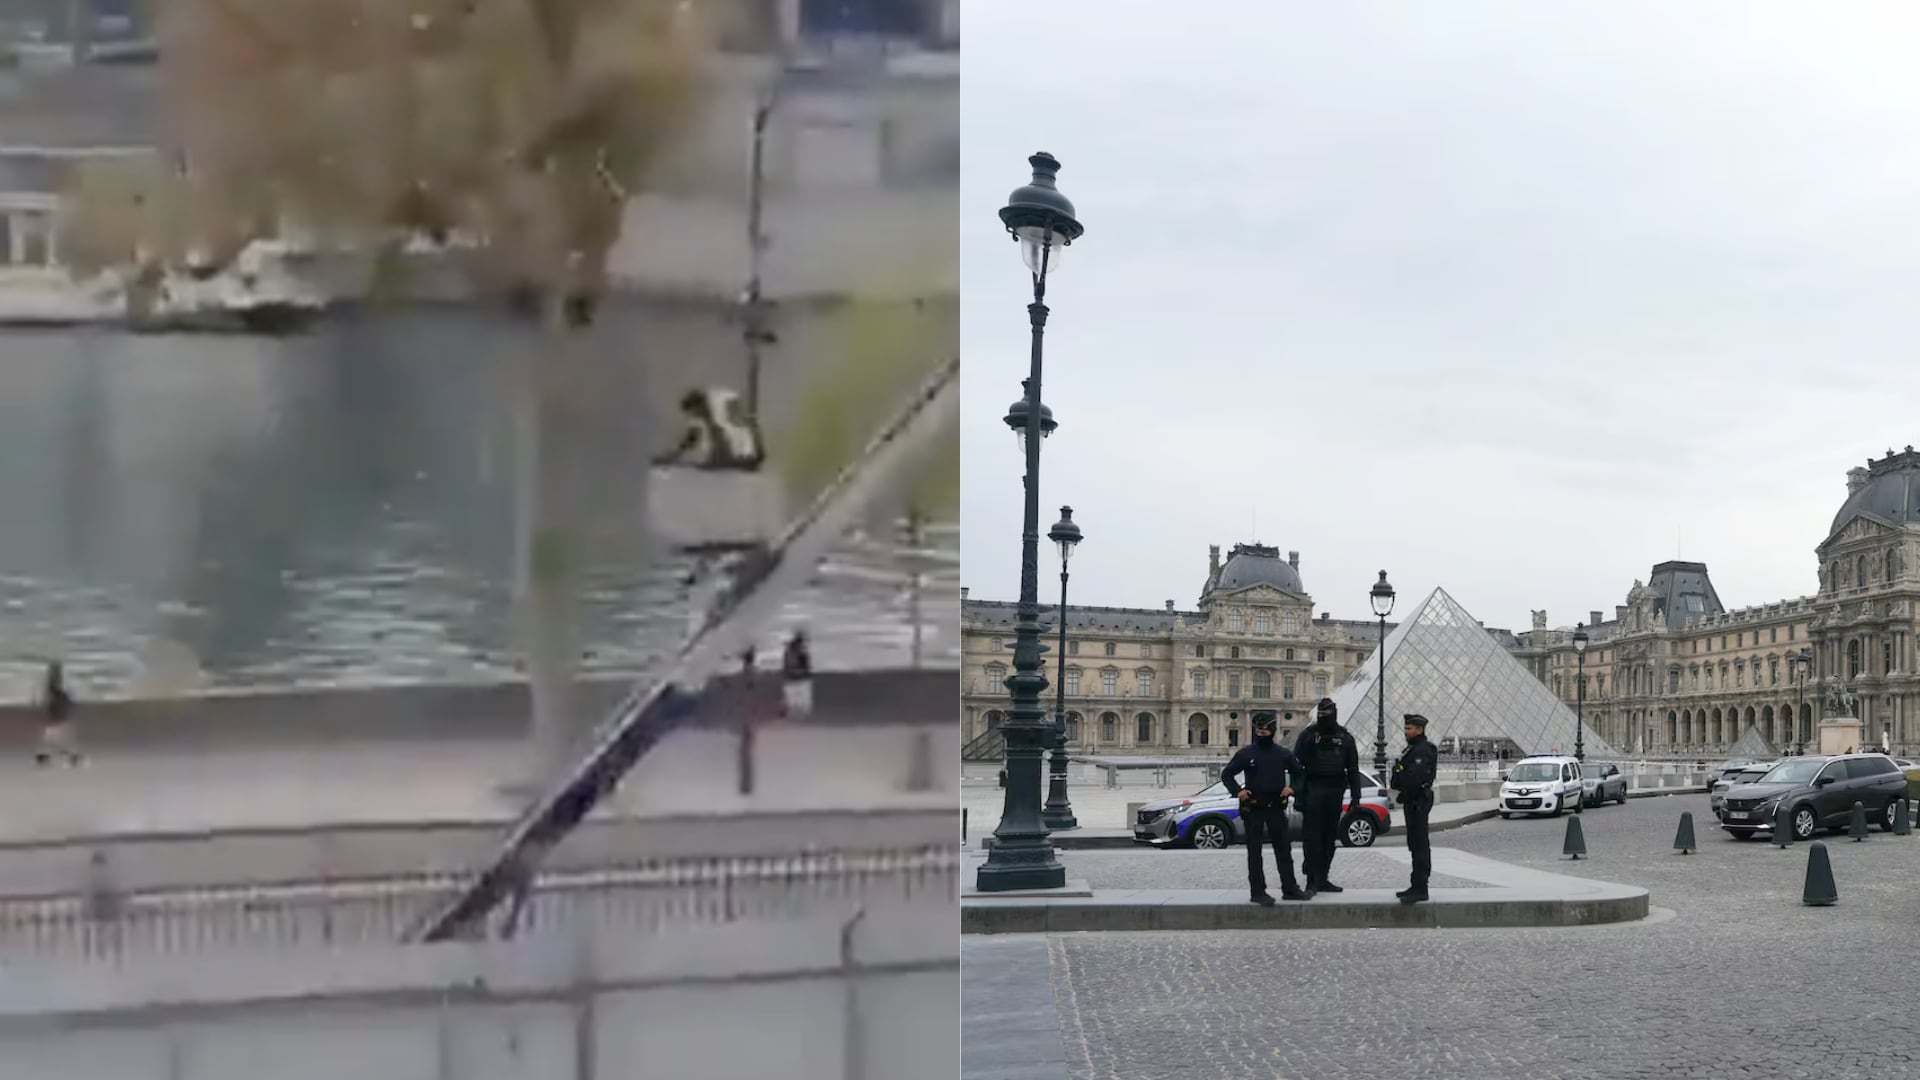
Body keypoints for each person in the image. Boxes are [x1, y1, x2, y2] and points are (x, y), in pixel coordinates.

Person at [1220, 711, 1309, 904]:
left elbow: (1300, 774)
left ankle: (1290, 888)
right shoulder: (1246, 753)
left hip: (1276, 807)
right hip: (1254, 808)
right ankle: (1258, 891)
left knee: (1284, 850)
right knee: (1254, 853)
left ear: (1273, 731)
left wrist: (1291, 788)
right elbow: (1227, 775)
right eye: (1259, 731)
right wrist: (1238, 791)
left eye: (1265, 731)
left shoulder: (1283, 753)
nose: (1261, 734)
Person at [1292, 697, 1363, 893]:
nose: (1324, 717)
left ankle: (1323, 877)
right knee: (1312, 838)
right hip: (1314, 789)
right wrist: (1298, 793)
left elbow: (1353, 768)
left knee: (1329, 837)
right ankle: (1311, 879)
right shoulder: (1308, 735)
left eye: (1327, 714)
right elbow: (1296, 763)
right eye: (1321, 714)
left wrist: (1356, 797)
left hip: (1335, 790)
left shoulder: (1345, 737)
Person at [1392, 714, 1440, 904]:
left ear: (1420, 730)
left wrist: (1401, 775)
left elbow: (1415, 778)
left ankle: (1421, 887)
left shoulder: (1423, 750)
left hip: (1418, 801)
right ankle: (1415, 885)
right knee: (1414, 843)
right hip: (1411, 800)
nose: (1406, 732)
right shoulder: (1412, 750)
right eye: (1405, 728)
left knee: (1419, 844)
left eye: (1409, 729)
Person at [36, 661, 82, 767]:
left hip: (57, 721)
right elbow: (67, 706)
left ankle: (72, 757)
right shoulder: (61, 696)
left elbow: (53, 708)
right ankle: (72, 757)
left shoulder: (58, 696)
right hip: (59, 720)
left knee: (53, 741)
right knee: (57, 741)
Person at [781, 630, 813, 720]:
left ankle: (797, 642)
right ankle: (798, 642)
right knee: (798, 661)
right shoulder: (803, 708)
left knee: (794, 662)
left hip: (796, 678)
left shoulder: (803, 708)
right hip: (798, 678)